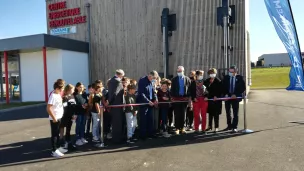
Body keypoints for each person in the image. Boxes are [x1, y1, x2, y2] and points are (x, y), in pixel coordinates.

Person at [47, 79, 67, 157]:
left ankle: (58, 148)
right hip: (54, 118)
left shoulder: (58, 94)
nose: (63, 90)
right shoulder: (53, 96)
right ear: (57, 88)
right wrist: (54, 118)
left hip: (59, 117)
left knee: (58, 134)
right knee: (54, 135)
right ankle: (54, 150)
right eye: (62, 88)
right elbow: (48, 108)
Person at [222, 65, 246, 133]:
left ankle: (234, 127)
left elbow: (242, 88)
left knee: (235, 113)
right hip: (228, 96)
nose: (230, 73)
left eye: (232, 71)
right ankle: (229, 125)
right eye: (229, 71)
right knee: (228, 112)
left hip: (235, 97)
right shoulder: (226, 77)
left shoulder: (240, 78)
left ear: (235, 71)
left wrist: (236, 94)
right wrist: (225, 94)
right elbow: (223, 87)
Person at [137, 71, 158, 140]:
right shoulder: (142, 80)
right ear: (150, 76)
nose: (154, 79)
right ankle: (143, 135)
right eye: (153, 78)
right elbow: (141, 93)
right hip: (144, 103)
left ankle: (150, 133)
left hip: (150, 103)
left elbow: (153, 91)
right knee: (143, 119)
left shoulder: (152, 81)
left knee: (150, 119)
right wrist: (148, 101)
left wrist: (155, 99)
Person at [170, 66, 191, 135]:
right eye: (178, 71)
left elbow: (190, 89)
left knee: (184, 114)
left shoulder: (187, 79)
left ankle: (183, 128)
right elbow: (172, 90)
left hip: (184, 99)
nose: (179, 72)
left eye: (180, 71)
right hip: (176, 99)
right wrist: (172, 97)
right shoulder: (174, 80)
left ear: (183, 71)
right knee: (177, 114)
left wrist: (188, 97)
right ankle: (177, 128)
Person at [107, 69, 125, 144]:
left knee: (115, 123)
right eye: (122, 76)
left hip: (113, 104)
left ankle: (116, 138)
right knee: (118, 123)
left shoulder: (111, 80)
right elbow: (115, 93)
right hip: (117, 105)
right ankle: (117, 140)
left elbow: (111, 93)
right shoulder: (118, 81)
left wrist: (109, 102)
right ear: (120, 75)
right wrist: (110, 102)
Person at [204, 68, 222, 133]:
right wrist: (205, 96)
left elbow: (220, 90)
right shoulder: (206, 81)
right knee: (210, 114)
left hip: (216, 100)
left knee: (216, 114)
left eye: (213, 73)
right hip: (209, 100)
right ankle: (209, 126)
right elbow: (205, 90)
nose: (212, 74)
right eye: (210, 73)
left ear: (215, 73)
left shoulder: (218, 81)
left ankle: (216, 127)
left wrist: (216, 96)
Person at [59, 84, 76, 150]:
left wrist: (74, 114)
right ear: (69, 90)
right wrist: (70, 115)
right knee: (62, 128)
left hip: (71, 116)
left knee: (68, 130)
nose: (73, 90)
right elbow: (65, 108)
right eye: (72, 89)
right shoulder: (65, 98)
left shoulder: (72, 96)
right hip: (65, 116)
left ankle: (68, 142)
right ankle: (61, 142)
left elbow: (74, 106)